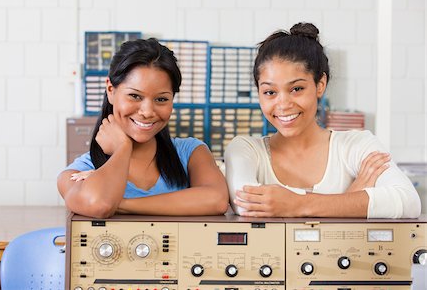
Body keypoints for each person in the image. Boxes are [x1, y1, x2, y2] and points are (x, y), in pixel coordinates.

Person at [224, 22, 421, 219]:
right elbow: (247, 205)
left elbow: (408, 201)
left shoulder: (357, 145)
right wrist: (349, 198)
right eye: (269, 92)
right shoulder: (245, 149)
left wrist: (296, 205)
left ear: (320, 84)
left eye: (296, 89)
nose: (283, 104)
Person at [58, 38, 229, 219]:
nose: (147, 112)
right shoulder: (80, 170)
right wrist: (123, 148)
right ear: (111, 90)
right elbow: (99, 204)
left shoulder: (191, 152)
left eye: (161, 99)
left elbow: (217, 200)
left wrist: (121, 203)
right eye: (134, 96)